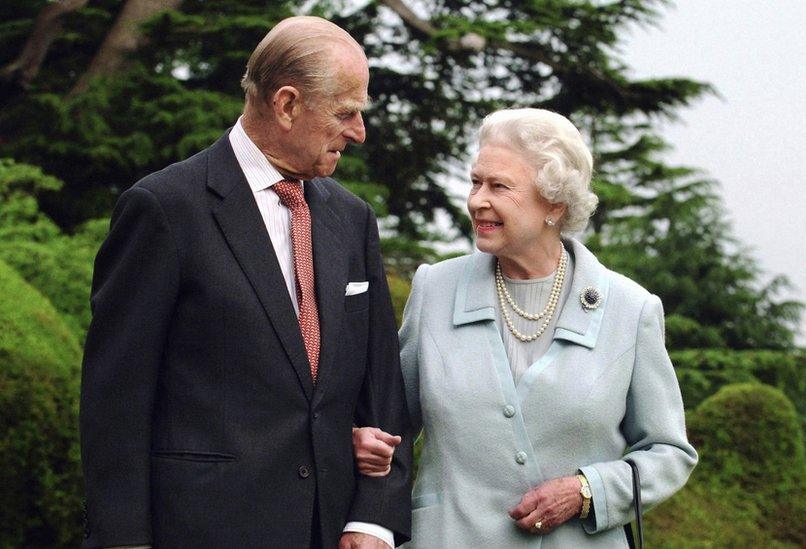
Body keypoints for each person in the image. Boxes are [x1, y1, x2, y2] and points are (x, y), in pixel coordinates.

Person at [80, 16, 411, 549]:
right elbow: (114, 402)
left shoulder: (352, 219)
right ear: (286, 104)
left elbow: (382, 390)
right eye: (346, 113)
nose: (359, 132)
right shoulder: (164, 209)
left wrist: (373, 519)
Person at [355, 108, 697, 547]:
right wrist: (363, 441)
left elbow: (669, 453)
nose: (478, 199)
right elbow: (389, 423)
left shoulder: (630, 310)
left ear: (554, 203)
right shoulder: (435, 289)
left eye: (499, 186)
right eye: (476, 182)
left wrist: (587, 491)